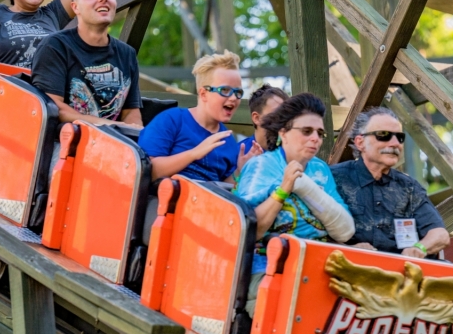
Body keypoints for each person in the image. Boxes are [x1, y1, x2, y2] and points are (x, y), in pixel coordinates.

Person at [236, 93, 354, 314]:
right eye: (307, 131)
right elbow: (249, 230)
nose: (315, 139)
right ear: (284, 133)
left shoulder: (320, 170)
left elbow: (345, 231)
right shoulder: (262, 166)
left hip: (319, 265)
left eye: (320, 133)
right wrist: (283, 190)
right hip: (269, 268)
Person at [331, 107, 450, 259]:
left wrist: (419, 248)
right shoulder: (334, 178)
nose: (395, 143)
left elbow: (440, 235)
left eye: (399, 137)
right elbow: (311, 229)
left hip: (405, 274)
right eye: (384, 135)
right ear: (360, 142)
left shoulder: (409, 187)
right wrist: (347, 249)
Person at [31, 0, 141, 126]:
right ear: (75, 7)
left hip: (117, 144)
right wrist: (110, 127)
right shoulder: (54, 46)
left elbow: (131, 112)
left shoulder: (127, 53)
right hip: (64, 144)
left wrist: (135, 136)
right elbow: (53, 107)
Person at [139, 50, 258, 182]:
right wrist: (194, 153)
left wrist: (239, 170)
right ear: (203, 94)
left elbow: (224, 188)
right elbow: (146, 172)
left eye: (238, 92)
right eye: (225, 90)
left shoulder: (228, 140)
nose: (234, 98)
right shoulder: (172, 120)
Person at [237, 84, 287, 155]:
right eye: (276, 114)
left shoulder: (293, 152)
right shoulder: (237, 155)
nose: (283, 119)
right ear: (256, 118)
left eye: (286, 114)